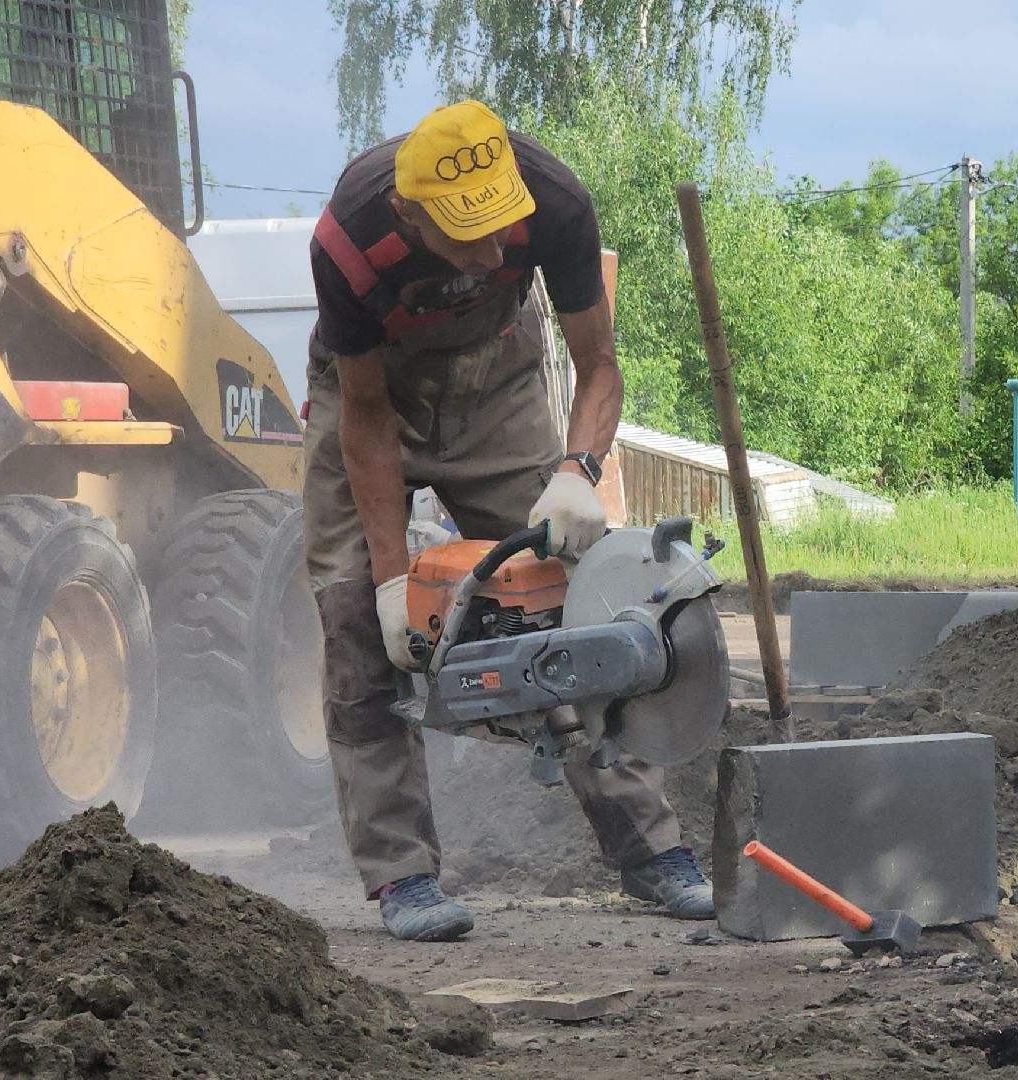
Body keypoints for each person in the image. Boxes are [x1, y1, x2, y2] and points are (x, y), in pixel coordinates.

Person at [304, 100, 712, 942]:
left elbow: (599, 365)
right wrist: (389, 579)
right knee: (354, 625)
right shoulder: (348, 240)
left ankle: (651, 850)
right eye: (470, 237)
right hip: (371, 393)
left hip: (499, 377)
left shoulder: (552, 200)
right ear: (413, 216)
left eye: (503, 228)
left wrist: (577, 473)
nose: (496, 251)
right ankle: (403, 876)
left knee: (568, 600)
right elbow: (369, 417)